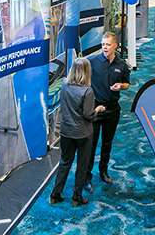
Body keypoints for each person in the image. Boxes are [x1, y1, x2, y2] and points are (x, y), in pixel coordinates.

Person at [50, 58, 106, 207]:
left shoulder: (64, 84)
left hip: (66, 131)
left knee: (64, 162)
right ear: (87, 72)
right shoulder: (87, 91)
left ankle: (56, 193)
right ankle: (77, 196)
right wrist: (98, 110)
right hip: (83, 133)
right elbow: (88, 115)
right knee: (82, 164)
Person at [86, 32, 130, 190]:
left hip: (113, 110)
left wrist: (121, 86)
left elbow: (127, 84)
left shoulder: (121, 64)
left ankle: (103, 171)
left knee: (107, 143)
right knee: (90, 145)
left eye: (108, 44)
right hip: (96, 110)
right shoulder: (92, 61)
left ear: (115, 46)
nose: (104, 47)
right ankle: (86, 176)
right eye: (103, 44)